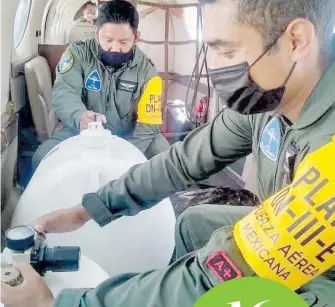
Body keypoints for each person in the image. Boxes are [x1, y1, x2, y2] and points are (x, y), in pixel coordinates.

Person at [2, 0, 335, 306]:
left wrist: (61, 303)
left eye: (227, 51)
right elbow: (183, 161)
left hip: (325, 279)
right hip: (286, 230)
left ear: (296, 41)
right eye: (210, 50)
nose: (215, 67)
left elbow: (218, 272)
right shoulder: (266, 105)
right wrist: (86, 210)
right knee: (194, 221)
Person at [32, 0, 170, 173]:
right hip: (81, 132)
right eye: (108, 40)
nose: (115, 48)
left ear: (137, 37)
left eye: (123, 41)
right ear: (97, 34)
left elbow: (149, 123)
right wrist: (79, 116)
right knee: (42, 158)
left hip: (129, 135)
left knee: (165, 157)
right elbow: (64, 93)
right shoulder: (77, 54)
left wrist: (126, 154)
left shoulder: (147, 71)